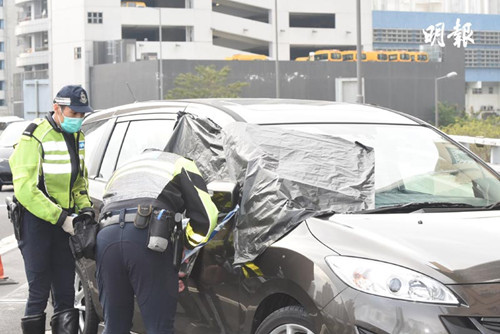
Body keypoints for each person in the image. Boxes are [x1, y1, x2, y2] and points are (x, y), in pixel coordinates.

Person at [96, 150, 219, 334]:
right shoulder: (181, 163)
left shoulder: (126, 166)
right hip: (147, 238)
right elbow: (207, 218)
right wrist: (185, 248)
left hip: (106, 237)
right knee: (159, 328)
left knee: (115, 327)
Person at [9, 85, 94, 334]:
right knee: (39, 289)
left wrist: (86, 208)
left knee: (66, 290)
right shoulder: (34, 136)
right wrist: (60, 217)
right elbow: (25, 190)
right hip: (35, 222)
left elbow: (79, 180)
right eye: (73, 113)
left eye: (81, 115)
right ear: (57, 108)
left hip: (65, 223)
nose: (78, 119)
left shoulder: (79, 137)